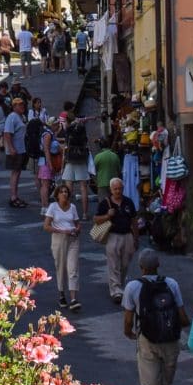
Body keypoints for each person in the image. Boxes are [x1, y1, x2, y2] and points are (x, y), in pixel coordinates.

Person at [123, 248, 190, 385]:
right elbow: (182, 316)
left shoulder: (133, 287)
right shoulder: (172, 284)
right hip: (170, 341)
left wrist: (130, 333)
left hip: (148, 341)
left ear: (141, 267)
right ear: (158, 265)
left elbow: (128, 320)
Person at [95, 174, 138, 302]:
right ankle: (116, 291)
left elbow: (134, 219)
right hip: (113, 236)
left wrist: (136, 237)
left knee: (125, 264)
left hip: (127, 235)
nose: (118, 191)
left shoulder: (128, 202)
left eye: (120, 188)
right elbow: (96, 219)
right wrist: (107, 216)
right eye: (115, 189)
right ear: (111, 190)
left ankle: (120, 284)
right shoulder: (105, 203)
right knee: (113, 264)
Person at [42, 180, 82, 310]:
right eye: (62, 192)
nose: (64, 194)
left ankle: (74, 298)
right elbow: (46, 226)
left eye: (66, 192)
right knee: (61, 267)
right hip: (59, 239)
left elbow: (77, 223)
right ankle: (61, 293)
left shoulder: (73, 208)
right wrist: (60, 230)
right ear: (57, 195)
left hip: (72, 239)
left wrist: (76, 229)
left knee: (73, 268)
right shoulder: (53, 207)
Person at [60, 100, 92, 224]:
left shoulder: (68, 130)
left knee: (68, 189)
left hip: (70, 159)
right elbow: (85, 141)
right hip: (81, 158)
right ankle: (84, 214)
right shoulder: (81, 128)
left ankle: (69, 214)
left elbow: (66, 145)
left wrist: (63, 163)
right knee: (83, 188)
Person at [3, 95, 29, 208]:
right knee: (15, 173)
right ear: (14, 106)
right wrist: (11, 148)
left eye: (23, 104)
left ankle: (15, 196)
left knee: (18, 172)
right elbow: (7, 134)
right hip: (16, 150)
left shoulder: (21, 116)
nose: (22, 106)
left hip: (21, 149)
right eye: (19, 104)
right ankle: (13, 197)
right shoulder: (12, 117)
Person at [92, 135, 121, 203]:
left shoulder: (98, 157)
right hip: (114, 185)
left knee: (103, 204)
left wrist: (96, 182)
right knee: (114, 203)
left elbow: (93, 172)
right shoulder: (115, 156)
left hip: (102, 184)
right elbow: (119, 171)